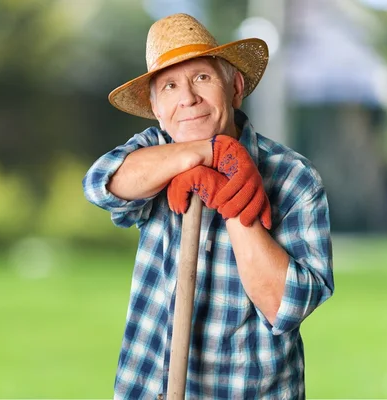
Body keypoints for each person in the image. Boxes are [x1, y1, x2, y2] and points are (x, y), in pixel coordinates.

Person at [82, 13, 334, 399]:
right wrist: (208, 152)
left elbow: (285, 306)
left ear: (234, 88)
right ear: (157, 110)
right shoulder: (153, 153)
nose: (188, 99)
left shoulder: (294, 177)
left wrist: (233, 198)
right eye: (169, 86)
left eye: (202, 77)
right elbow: (101, 185)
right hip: (149, 388)